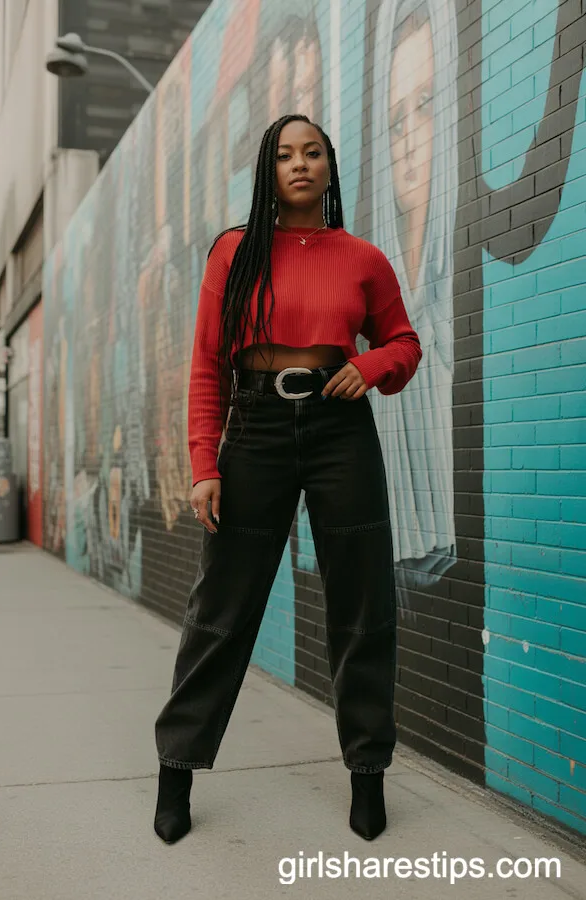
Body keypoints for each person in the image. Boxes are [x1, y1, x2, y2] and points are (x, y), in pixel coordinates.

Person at [153, 113, 422, 844]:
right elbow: (207, 364)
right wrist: (204, 463)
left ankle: (367, 776)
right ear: (267, 171)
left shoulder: (363, 258)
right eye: (284, 154)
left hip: (341, 433)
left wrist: (368, 366)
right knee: (224, 604)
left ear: (330, 167)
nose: (298, 163)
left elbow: (403, 343)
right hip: (257, 431)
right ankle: (176, 767)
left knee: (362, 605)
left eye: (312, 153)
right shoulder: (234, 253)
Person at [366, 0, 458, 593]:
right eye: (395, 119)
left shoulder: (459, 296)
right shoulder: (379, 282)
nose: (407, 139)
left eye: (424, 107)